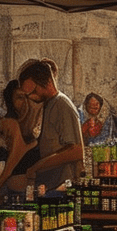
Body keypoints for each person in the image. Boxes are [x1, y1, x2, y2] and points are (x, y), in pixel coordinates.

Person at [17, 60, 84, 191]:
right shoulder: (48, 105)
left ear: (47, 83)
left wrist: (38, 166)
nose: (31, 97)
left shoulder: (62, 105)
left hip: (62, 187)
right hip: (49, 186)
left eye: (33, 91)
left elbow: (76, 150)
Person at [0, 80, 42, 199]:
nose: (26, 102)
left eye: (29, 97)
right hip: (9, 196)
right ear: (10, 101)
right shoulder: (8, 124)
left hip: (32, 197)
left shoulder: (35, 128)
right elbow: (10, 164)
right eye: (20, 98)